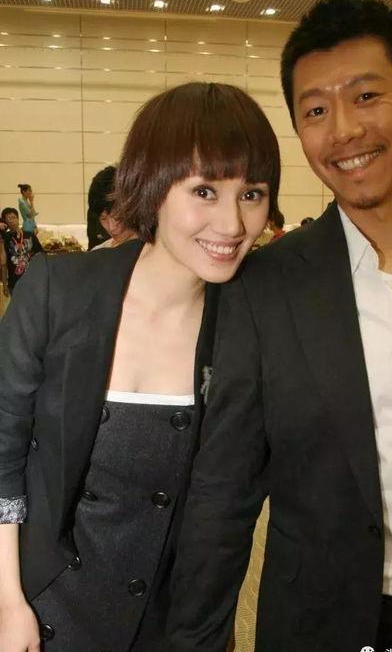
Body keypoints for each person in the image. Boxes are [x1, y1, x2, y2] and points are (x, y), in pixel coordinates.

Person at [165, 0, 392, 652]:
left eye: (366, 96)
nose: (343, 130)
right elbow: (224, 493)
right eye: (315, 111)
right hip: (325, 626)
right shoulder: (264, 288)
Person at [0, 81, 280, 652]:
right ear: (152, 186)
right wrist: (8, 603)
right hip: (39, 610)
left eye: (251, 193)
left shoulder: (249, 324)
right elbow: (3, 455)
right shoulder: (59, 293)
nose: (232, 224)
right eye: (204, 191)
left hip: (168, 624)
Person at [87, 165, 137, 250]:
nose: (112, 227)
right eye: (103, 219)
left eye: (118, 217)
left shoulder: (154, 249)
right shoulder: (99, 251)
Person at [0, 207, 43, 297]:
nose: (12, 221)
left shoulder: (29, 235)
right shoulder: (5, 238)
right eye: (9, 218)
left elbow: (41, 255)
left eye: (14, 217)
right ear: (5, 222)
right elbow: (3, 264)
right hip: (14, 283)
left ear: (18, 219)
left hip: (32, 281)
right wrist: (4, 285)